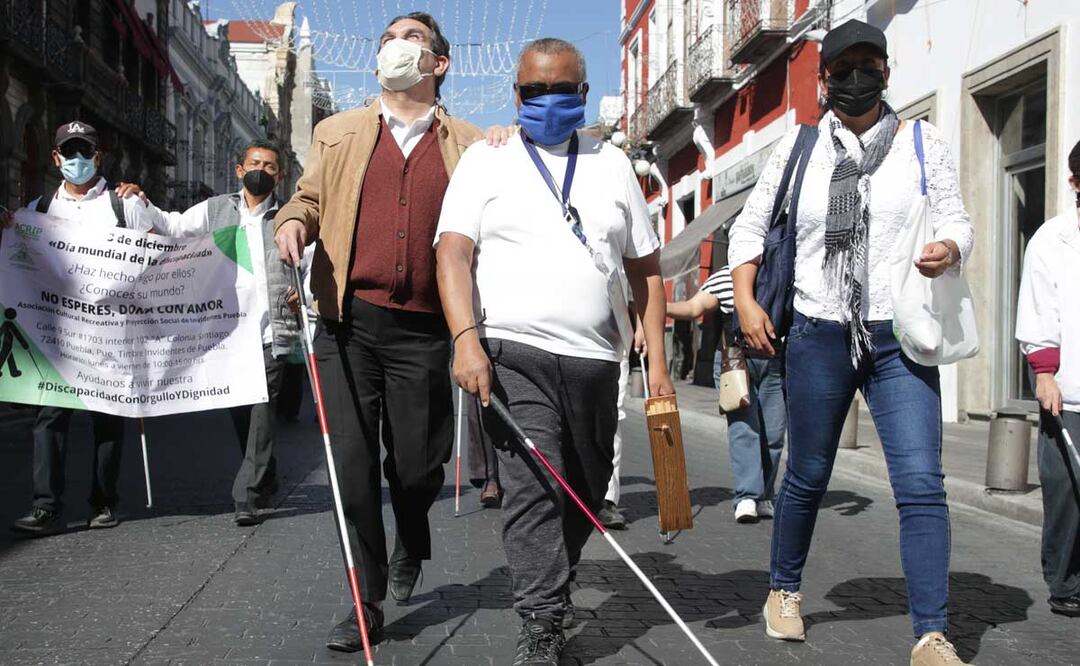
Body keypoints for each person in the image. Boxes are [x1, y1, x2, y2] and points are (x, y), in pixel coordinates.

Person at [728, 21, 974, 665]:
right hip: (817, 331)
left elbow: (956, 216)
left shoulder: (923, 141)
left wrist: (948, 249)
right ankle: (783, 590)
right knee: (807, 473)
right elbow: (749, 230)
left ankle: (931, 632)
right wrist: (748, 300)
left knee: (921, 482)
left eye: (869, 64)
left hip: (899, 337)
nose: (856, 76)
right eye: (844, 68)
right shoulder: (798, 148)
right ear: (825, 78)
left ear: (887, 72)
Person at [435, 38, 673, 666]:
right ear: (516, 96)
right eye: (533, 91)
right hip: (513, 352)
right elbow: (452, 253)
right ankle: (541, 620)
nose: (546, 102)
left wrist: (661, 371)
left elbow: (646, 270)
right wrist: (466, 341)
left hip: (598, 359)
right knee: (534, 485)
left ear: (583, 95)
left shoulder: (613, 163)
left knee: (587, 488)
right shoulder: (485, 163)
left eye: (560, 90)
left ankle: (553, 583)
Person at [273, 12, 483, 652]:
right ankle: (364, 598)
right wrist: (292, 223)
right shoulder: (337, 133)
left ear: (439, 64)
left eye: (412, 38)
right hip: (347, 324)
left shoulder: (471, 144)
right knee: (353, 465)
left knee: (418, 468)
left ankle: (411, 539)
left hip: (425, 329)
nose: (397, 45)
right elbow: (306, 198)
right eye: (389, 38)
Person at [6, 121, 160, 534]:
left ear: (99, 155)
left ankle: (104, 501)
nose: (77, 159)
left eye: (85, 151)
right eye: (69, 151)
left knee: (108, 417)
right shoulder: (37, 210)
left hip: (111, 335)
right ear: (56, 158)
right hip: (57, 337)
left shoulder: (123, 205)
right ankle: (45, 506)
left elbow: (158, 254)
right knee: (50, 417)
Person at [149, 140, 297, 527]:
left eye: (269, 166)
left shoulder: (286, 218)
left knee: (263, 410)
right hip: (226, 335)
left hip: (270, 331)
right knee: (243, 413)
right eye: (254, 163)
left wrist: (305, 294)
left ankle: (246, 494)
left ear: (279, 176)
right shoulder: (215, 209)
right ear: (239, 169)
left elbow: (310, 262)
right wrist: (138, 202)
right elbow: (172, 226)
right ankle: (266, 471)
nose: (260, 170)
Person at [667, 265, 785, 524]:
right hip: (736, 361)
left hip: (776, 361)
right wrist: (658, 306)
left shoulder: (783, 271)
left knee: (774, 434)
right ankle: (747, 496)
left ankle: (764, 494)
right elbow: (694, 308)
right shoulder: (726, 275)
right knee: (744, 427)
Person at [1016, 139, 1080, 618]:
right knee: (1066, 494)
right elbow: (1041, 308)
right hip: (1069, 389)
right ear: (1075, 183)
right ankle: (1066, 582)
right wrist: (1044, 372)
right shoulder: (1052, 240)